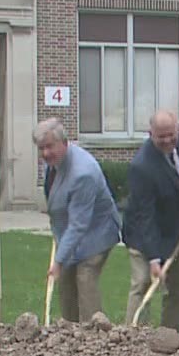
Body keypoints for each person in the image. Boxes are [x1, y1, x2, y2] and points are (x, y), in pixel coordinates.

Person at [122, 109, 179, 330]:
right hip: (144, 234)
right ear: (150, 134)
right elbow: (145, 216)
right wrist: (154, 259)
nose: (168, 140)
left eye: (171, 134)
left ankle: (171, 335)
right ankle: (132, 337)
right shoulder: (142, 167)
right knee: (143, 283)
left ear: (178, 129)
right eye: (161, 137)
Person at [36, 118, 121, 322]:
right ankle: (69, 332)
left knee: (85, 277)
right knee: (65, 281)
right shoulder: (54, 163)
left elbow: (78, 224)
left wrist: (57, 261)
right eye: (41, 148)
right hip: (73, 232)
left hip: (97, 233)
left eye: (50, 147)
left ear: (64, 143)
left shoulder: (83, 173)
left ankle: (95, 336)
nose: (45, 153)